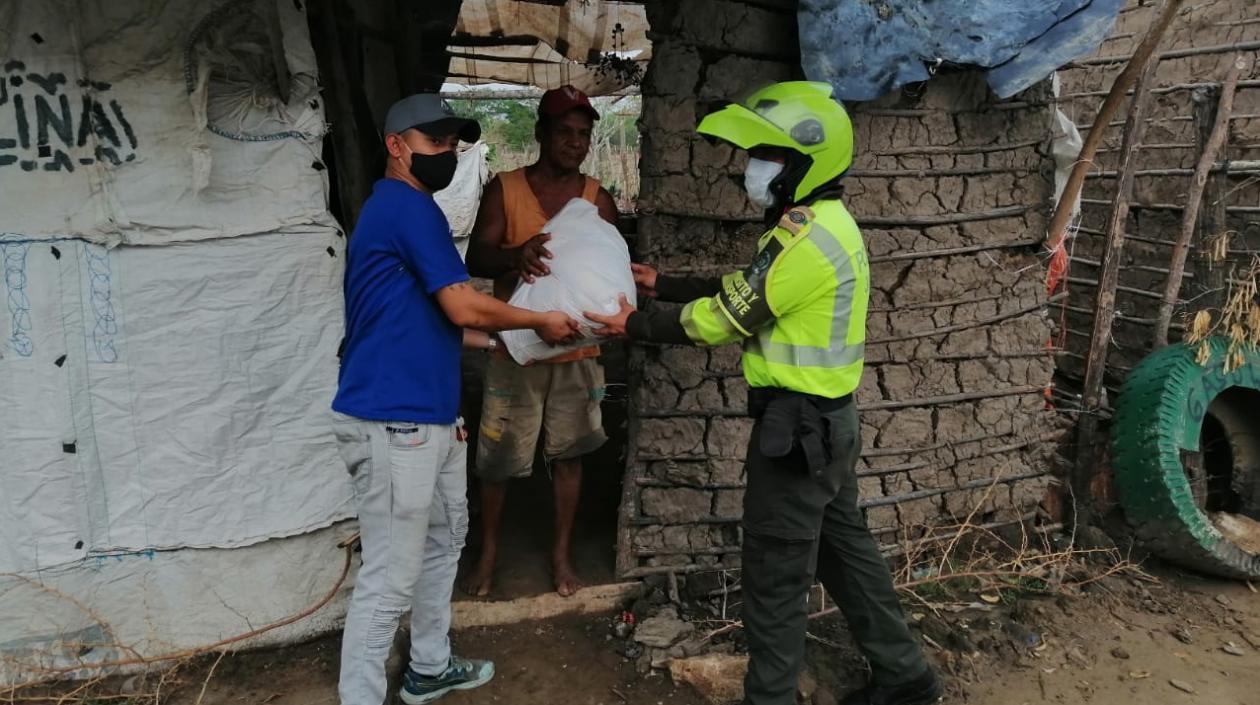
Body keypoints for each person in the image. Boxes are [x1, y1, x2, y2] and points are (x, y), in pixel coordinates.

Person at [586, 82, 942, 705]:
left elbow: (726, 317)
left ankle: (771, 697)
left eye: (770, 156)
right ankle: (905, 676)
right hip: (827, 427)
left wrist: (634, 324)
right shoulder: (818, 227)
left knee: (775, 576)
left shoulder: (807, 239)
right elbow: (753, 286)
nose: (754, 168)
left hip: (798, 436)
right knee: (845, 553)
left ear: (807, 163)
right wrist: (665, 283)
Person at [331, 93, 581, 705]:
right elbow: (464, 305)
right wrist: (538, 320)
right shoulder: (404, 207)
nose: (445, 153)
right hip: (395, 417)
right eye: (433, 142)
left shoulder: (412, 212)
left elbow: (437, 318)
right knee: (390, 578)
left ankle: (429, 667)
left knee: (444, 542)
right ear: (396, 146)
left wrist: (502, 343)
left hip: (430, 416)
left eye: (452, 144)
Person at [462, 85, 620, 598]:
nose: (575, 142)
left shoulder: (597, 199)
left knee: (571, 455)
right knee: (499, 458)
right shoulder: (505, 189)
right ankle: (488, 553)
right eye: (564, 132)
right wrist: (516, 255)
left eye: (584, 134)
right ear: (540, 134)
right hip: (516, 349)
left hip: (578, 351)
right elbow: (476, 258)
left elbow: (615, 268)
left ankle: (561, 556)